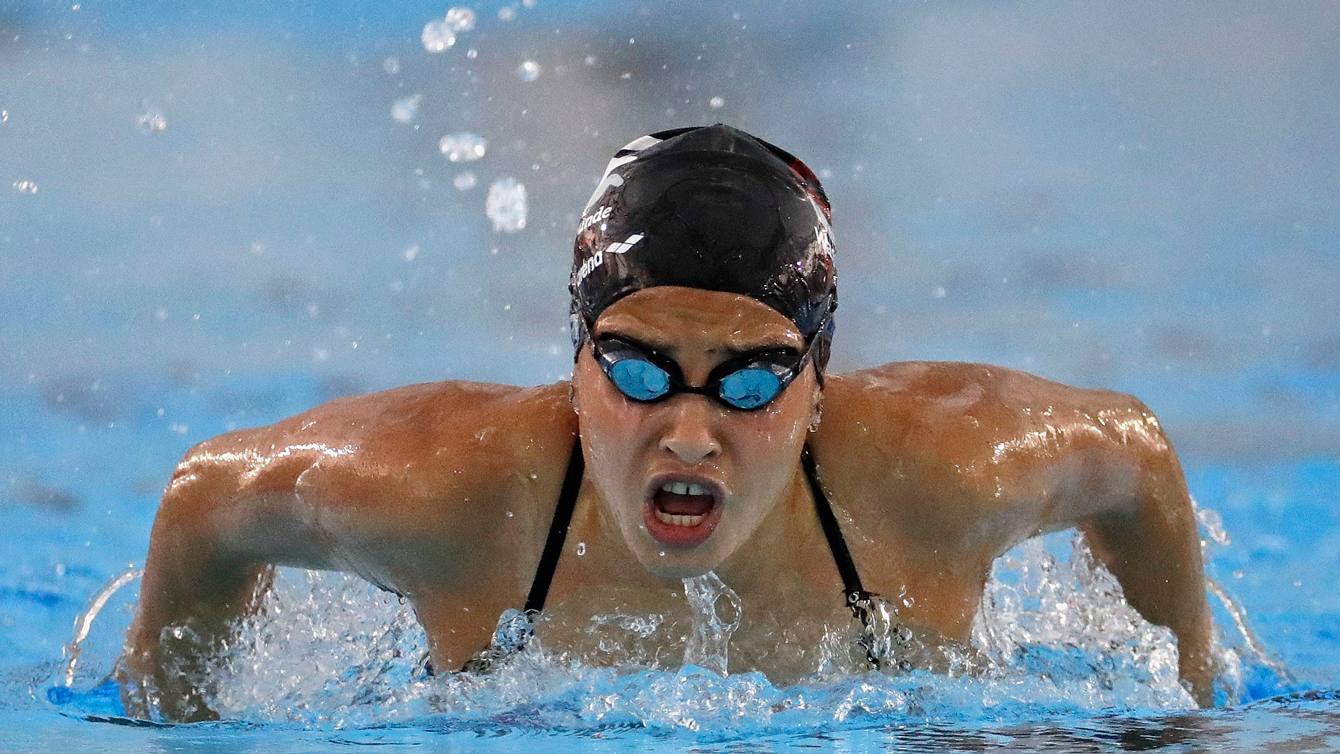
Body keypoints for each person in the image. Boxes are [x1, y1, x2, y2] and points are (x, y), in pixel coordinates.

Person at [122, 124, 1215, 721]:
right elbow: (207, 499)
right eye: (642, 370)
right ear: (576, 365)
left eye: (746, 382)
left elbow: (1133, 455)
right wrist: (177, 717)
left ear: (816, 387)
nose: (689, 430)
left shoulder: (935, 474)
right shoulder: (452, 492)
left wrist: (1183, 712)